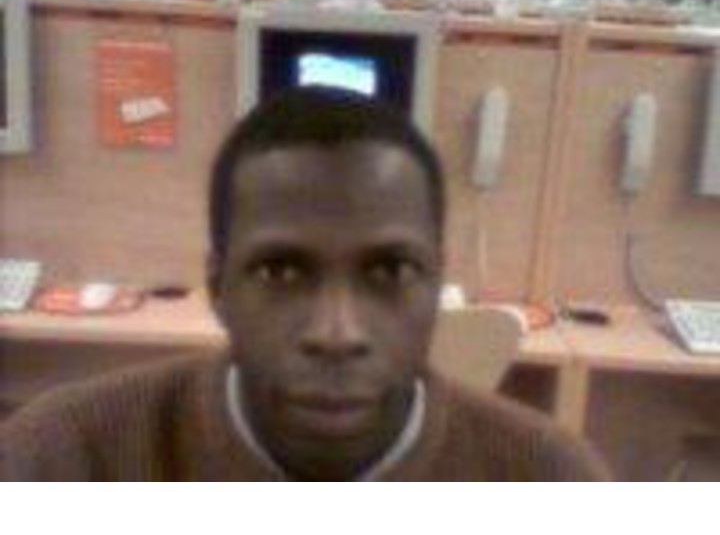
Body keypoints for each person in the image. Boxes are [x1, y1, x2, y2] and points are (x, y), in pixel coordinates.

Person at [0, 87, 611, 481]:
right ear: (218, 287)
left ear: (437, 285)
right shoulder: (59, 459)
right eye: (280, 271)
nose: (336, 334)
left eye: (391, 271)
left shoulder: (551, 479)